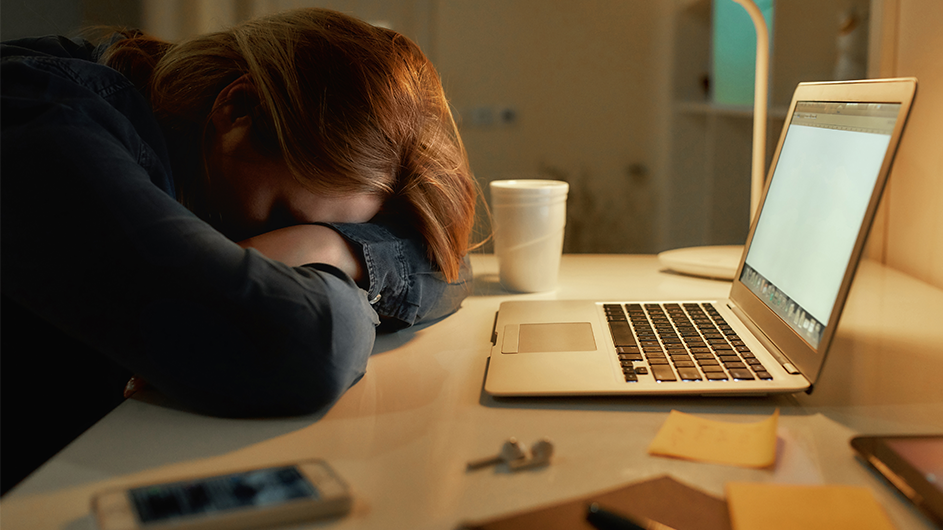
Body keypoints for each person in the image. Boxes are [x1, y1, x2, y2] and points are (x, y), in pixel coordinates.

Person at [0, 8, 477, 493]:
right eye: (282, 218)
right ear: (239, 109)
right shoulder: (48, 126)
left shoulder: (184, 131)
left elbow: (450, 262)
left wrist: (333, 247)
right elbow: (307, 343)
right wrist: (337, 269)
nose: (284, 248)